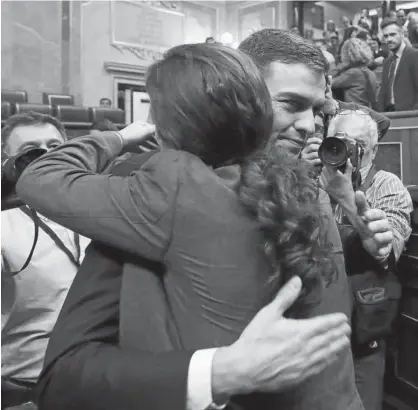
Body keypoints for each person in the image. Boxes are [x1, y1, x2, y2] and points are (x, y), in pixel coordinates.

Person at [25, 31, 390, 410]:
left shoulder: (307, 189)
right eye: (291, 105)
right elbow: (67, 377)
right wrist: (214, 373)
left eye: (317, 111)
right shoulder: (155, 185)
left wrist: (363, 248)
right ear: (238, 99)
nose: (310, 126)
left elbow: (320, 310)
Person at [319, 109, 413, 410]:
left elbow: (387, 249)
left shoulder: (388, 185)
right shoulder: (310, 178)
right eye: (339, 141)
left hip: (361, 334)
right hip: (314, 329)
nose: (345, 151)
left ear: (372, 150)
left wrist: (347, 199)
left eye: (356, 143)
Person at [1, 112, 90, 409]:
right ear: (8, 166)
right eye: (31, 152)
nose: (49, 158)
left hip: (99, 385)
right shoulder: (4, 229)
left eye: (57, 146)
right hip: (25, 393)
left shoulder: (100, 215)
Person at [378, 17, 418, 111]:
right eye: (386, 36)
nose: (389, 39)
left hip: (409, 115)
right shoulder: (387, 62)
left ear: (402, 34)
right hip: (389, 115)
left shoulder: (414, 55)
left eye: (392, 34)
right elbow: (383, 92)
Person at [331, 38, 378, 108]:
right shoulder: (371, 73)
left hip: (354, 113)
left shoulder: (353, 73)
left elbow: (330, 83)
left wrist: (341, 66)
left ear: (347, 54)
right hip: (367, 112)